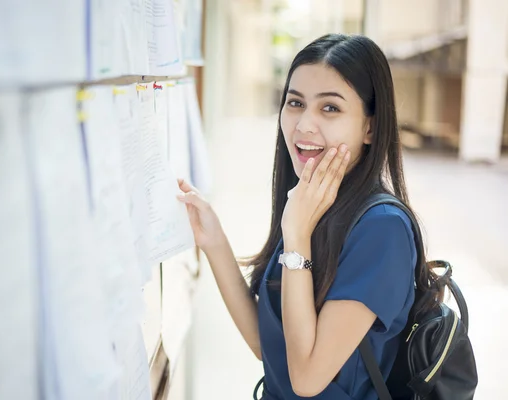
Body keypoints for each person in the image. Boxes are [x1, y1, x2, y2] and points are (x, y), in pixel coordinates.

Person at [176, 33, 440, 400]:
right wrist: (214, 242)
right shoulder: (314, 204)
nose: (303, 125)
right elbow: (268, 348)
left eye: (330, 108)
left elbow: (306, 378)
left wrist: (297, 235)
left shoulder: (382, 229)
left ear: (370, 127)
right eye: (295, 103)